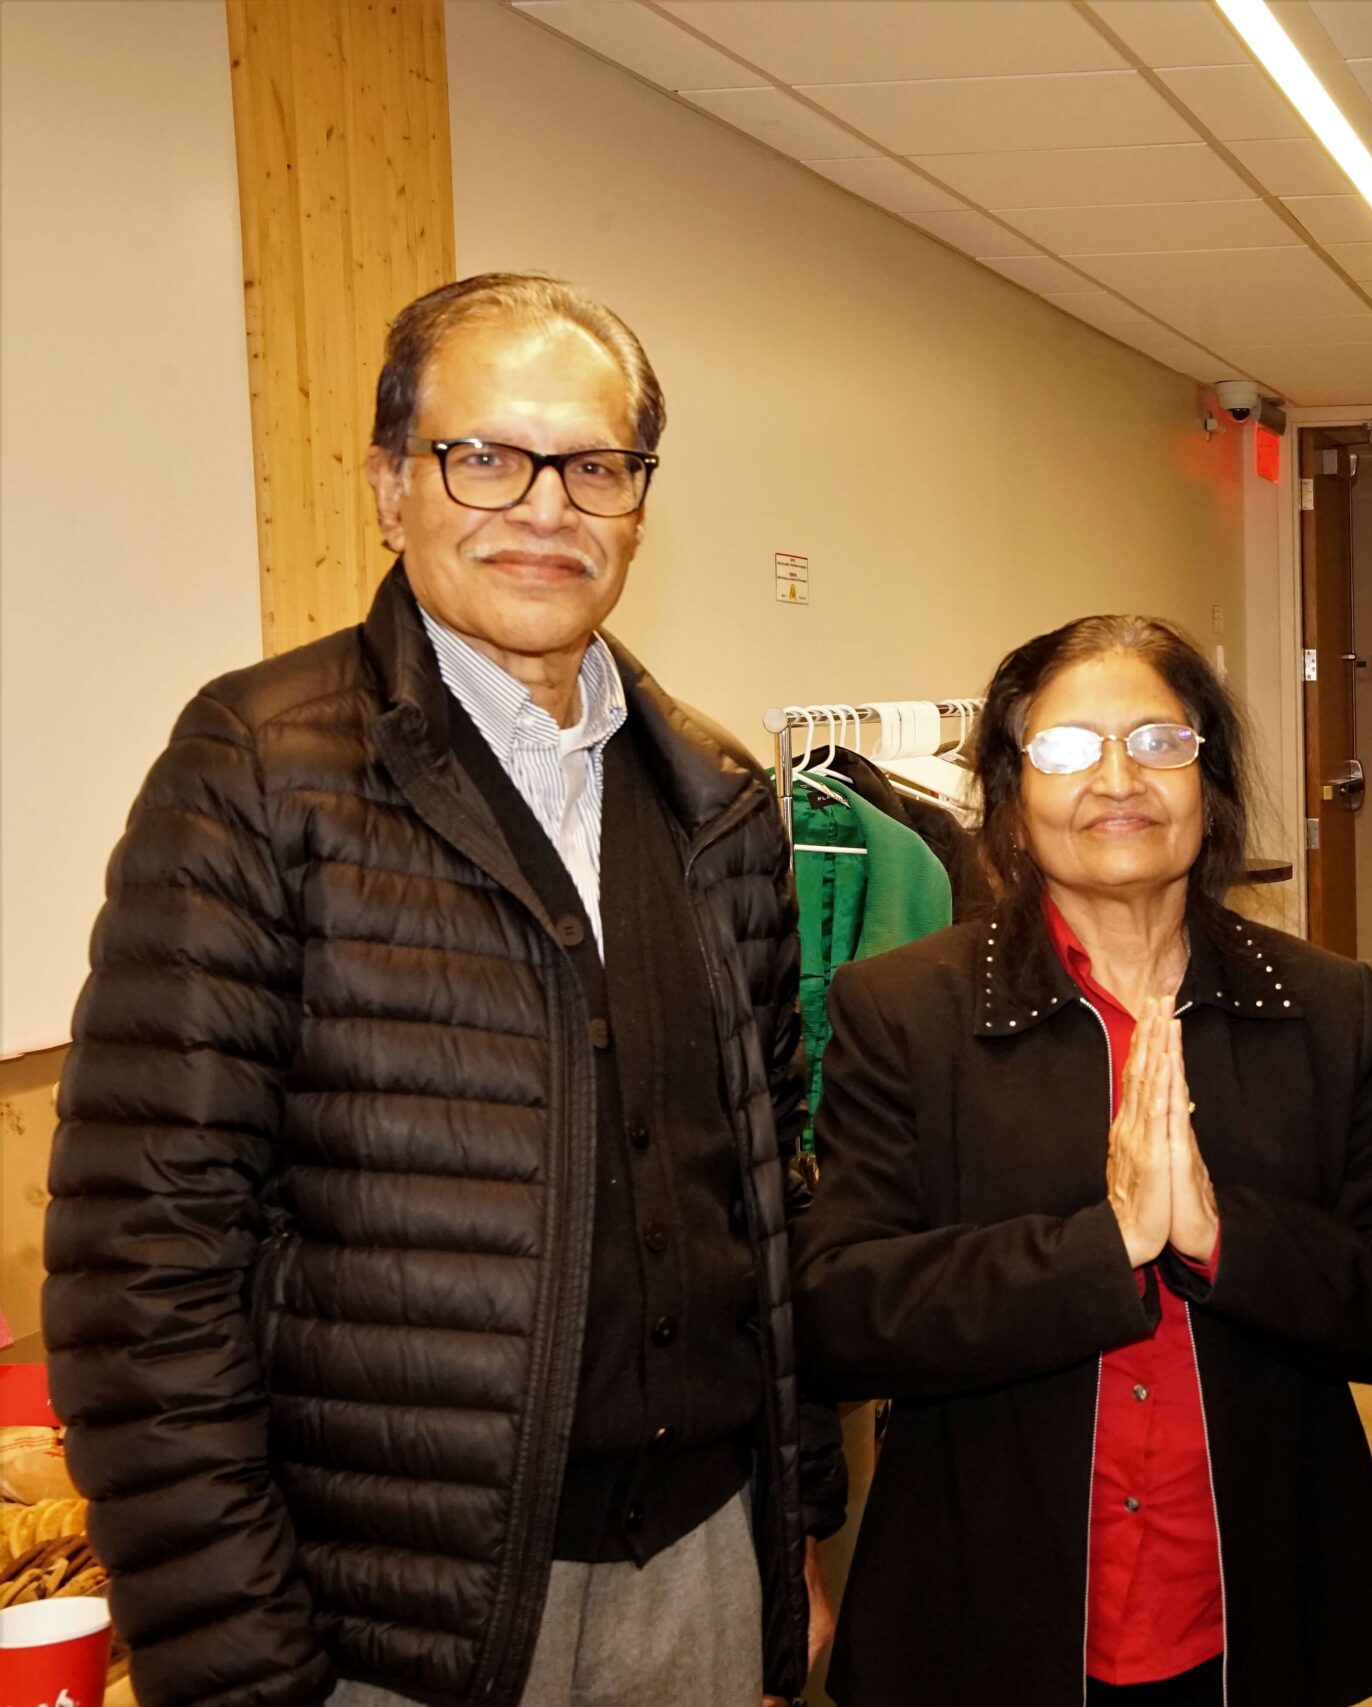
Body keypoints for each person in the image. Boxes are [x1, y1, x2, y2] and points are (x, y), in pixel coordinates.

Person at [43, 274, 842, 1707]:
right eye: (485, 456)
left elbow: (766, 1202)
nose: (546, 507)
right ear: (388, 488)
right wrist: (233, 1652)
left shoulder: (719, 800)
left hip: (701, 1569)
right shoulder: (258, 773)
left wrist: (792, 1534)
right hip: (395, 1615)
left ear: (638, 505)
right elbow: (144, 1263)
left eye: (594, 465)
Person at [794, 615, 1372, 1707]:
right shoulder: (906, 1011)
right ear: (1011, 794)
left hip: (1255, 1608)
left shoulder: (1323, 1005)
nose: (1118, 778)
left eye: (1160, 742)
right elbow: (838, 1310)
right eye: (1066, 748)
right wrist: (1103, 1250)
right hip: (990, 1613)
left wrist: (1222, 1239)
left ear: (1210, 781)